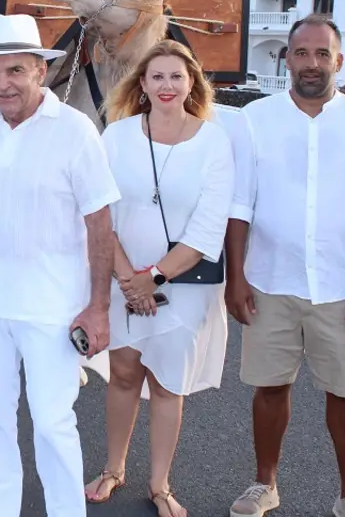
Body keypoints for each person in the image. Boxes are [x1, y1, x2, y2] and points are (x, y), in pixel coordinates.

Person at [0, 13, 119, 517]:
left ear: (41, 70)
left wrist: (99, 308)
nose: (2, 84)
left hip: (53, 305)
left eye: (15, 71)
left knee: (51, 423)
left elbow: (100, 222)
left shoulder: (76, 130)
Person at [224, 14, 345, 517]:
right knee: (269, 387)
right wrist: (236, 279)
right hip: (269, 280)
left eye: (322, 54)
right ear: (287, 59)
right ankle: (265, 485)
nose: (311, 63)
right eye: (301, 53)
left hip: (341, 284)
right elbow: (240, 207)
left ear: (338, 61)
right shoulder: (256, 118)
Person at [82, 40, 234, 517]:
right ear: (142, 85)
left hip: (184, 286)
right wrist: (130, 279)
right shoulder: (117, 136)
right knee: (124, 374)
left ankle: (161, 483)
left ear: (192, 83)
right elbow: (100, 212)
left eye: (176, 76)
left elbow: (210, 226)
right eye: (157, 77)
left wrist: (155, 279)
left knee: (169, 383)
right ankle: (113, 468)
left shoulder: (214, 141)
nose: (167, 86)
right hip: (122, 276)